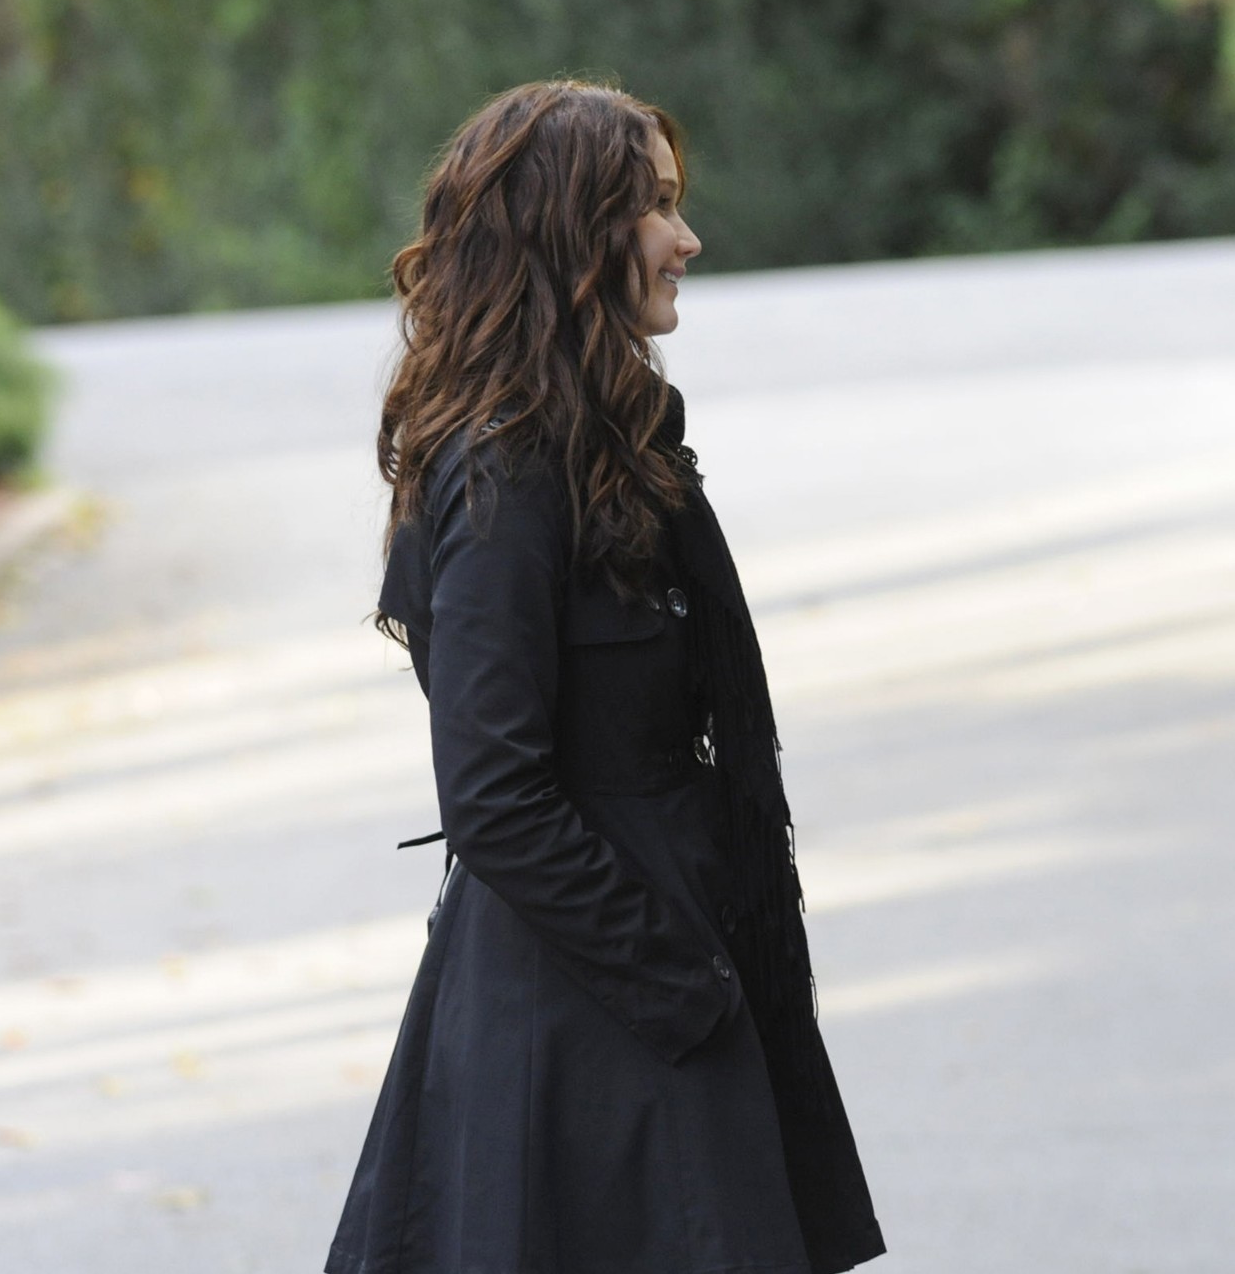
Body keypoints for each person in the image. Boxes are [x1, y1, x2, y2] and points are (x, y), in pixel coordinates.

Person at [326, 81, 885, 1274]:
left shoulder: (606, 442)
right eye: (658, 209)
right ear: (573, 234)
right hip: (591, 1006)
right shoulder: (507, 473)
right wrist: (678, 981)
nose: (688, 239)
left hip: (658, 970)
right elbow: (493, 796)